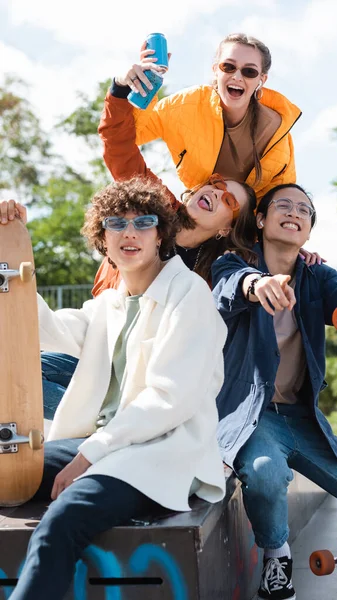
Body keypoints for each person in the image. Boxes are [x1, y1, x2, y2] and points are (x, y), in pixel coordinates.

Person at [7, 177, 227, 600]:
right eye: (116, 223)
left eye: (143, 222)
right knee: (7, 470)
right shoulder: (109, 303)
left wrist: (88, 455)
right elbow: (40, 327)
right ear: (102, 237)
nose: (130, 233)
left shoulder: (190, 294)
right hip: (101, 445)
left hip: (158, 451)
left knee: (64, 520)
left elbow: (168, 400)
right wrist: (9, 246)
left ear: (161, 233)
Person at [211, 183, 337, 600]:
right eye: (283, 205)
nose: (294, 212)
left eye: (304, 210)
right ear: (260, 219)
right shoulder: (233, 263)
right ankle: (277, 561)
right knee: (264, 472)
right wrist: (257, 286)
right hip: (251, 418)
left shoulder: (317, 276)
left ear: (309, 230)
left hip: (304, 420)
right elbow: (229, 287)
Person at [102, 32, 301, 203]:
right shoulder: (184, 106)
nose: (237, 77)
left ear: (261, 79)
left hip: (247, 236)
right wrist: (132, 88)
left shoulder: (278, 131)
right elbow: (126, 139)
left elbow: (283, 200)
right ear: (215, 70)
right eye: (228, 67)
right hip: (197, 220)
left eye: (249, 71)